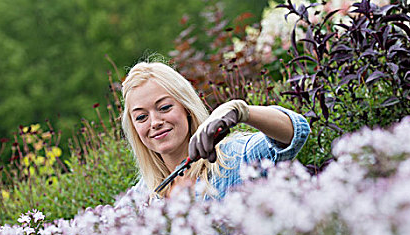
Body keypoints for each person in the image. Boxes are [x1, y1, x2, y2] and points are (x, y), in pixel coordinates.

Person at [121, 61, 310, 201]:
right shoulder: (142, 199)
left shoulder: (235, 158)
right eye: (141, 117)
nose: (154, 123)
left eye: (164, 108)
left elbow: (297, 132)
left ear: (186, 107)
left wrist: (242, 111)